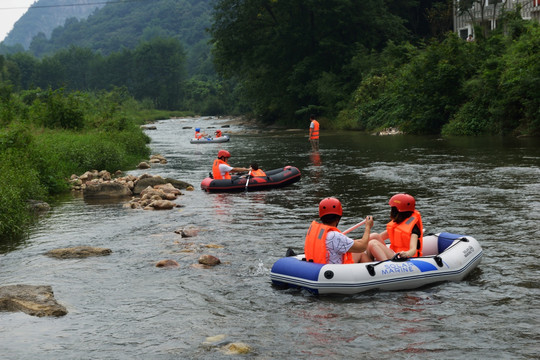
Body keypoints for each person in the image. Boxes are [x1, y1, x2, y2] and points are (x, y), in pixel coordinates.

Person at [304, 197, 373, 264]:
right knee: (361, 253)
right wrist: (368, 227)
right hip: (335, 271)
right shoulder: (335, 236)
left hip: (319, 265)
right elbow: (362, 247)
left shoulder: (317, 232)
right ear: (338, 219)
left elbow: (342, 242)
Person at [365, 193, 423, 261]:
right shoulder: (397, 224)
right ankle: (366, 261)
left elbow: (413, 250)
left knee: (372, 243)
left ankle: (385, 266)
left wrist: (406, 254)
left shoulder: (414, 229)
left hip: (402, 257)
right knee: (373, 236)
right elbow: (380, 236)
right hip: (394, 253)